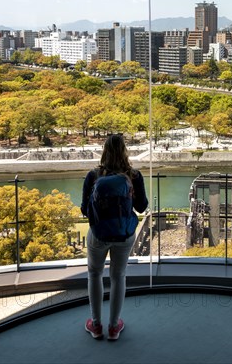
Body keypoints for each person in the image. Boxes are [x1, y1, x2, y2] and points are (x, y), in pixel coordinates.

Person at [81, 134, 148, 341]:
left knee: (94, 274)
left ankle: (96, 324)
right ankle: (113, 327)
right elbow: (142, 207)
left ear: (104, 150)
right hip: (124, 233)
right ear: (125, 150)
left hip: (98, 233)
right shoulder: (134, 175)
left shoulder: (93, 175)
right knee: (118, 276)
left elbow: (85, 209)